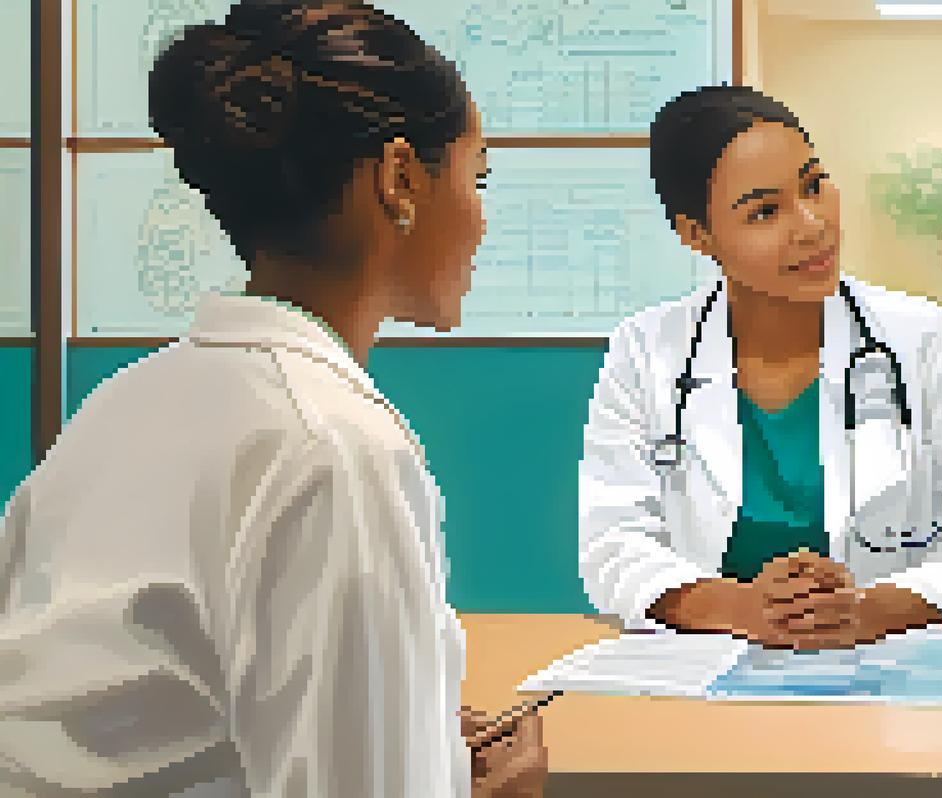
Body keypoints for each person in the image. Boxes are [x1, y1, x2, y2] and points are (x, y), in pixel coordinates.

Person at [0, 2, 544, 795]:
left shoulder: (122, 403)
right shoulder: (333, 449)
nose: (483, 218)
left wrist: (406, 725)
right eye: (477, 176)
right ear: (400, 179)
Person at [578, 85, 942, 649]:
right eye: (765, 211)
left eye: (814, 185)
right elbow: (612, 544)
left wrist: (866, 612)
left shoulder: (923, 340)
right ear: (697, 235)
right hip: (704, 669)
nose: (811, 225)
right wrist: (745, 609)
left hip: (886, 674)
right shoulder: (645, 353)